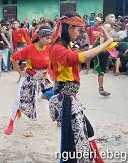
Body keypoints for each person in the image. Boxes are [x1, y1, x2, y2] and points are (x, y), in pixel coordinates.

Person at [49, 11, 113, 163]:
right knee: (70, 140)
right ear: (69, 28)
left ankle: (98, 160)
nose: (78, 33)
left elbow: (82, 54)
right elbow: (78, 58)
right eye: (77, 30)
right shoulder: (58, 48)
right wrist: (105, 43)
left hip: (69, 98)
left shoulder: (64, 46)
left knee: (82, 132)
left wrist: (101, 43)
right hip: (65, 99)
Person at [4, 26, 54, 136]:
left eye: (50, 39)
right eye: (47, 38)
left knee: (56, 96)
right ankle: (11, 123)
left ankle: (61, 120)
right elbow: (13, 58)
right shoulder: (29, 48)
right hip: (29, 78)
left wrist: (51, 74)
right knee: (18, 100)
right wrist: (20, 72)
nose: (49, 41)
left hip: (44, 79)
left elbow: (54, 63)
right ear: (40, 37)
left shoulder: (50, 48)